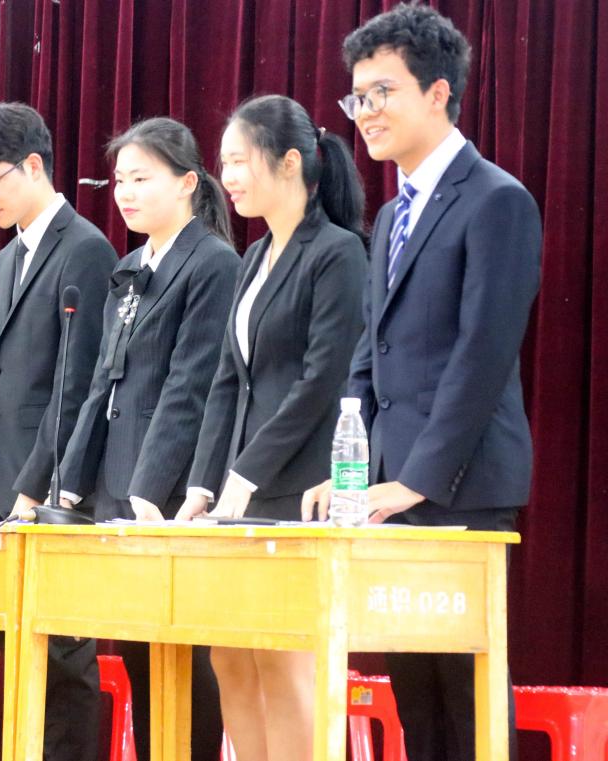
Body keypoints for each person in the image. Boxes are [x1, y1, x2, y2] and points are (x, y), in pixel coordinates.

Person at [302, 5, 542, 760]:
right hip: (386, 491)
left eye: (383, 92)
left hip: (460, 486)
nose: (366, 112)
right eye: (357, 97)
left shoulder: (497, 200)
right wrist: (349, 472)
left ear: (438, 93)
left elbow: (483, 357)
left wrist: (417, 480)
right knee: (417, 701)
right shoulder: (394, 215)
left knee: (467, 700)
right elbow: (367, 359)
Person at [174, 94, 367, 760]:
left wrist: (248, 473)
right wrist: (203, 484)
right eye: (223, 163)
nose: (227, 177)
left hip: (295, 487)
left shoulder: (338, 252)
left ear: (289, 162)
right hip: (238, 493)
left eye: (239, 161)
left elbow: (322, 381)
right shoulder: (253, 256)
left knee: (283, 661)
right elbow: (227, 381)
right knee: (230, 654)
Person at [58, 117, 239, 761]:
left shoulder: (213, 262)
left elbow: (191, 386)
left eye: (141, 179)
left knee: (181, 655)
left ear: (188, 182)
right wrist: (69, 486)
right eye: (119, 181)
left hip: (168, 492)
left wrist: (148, 491)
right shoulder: (130, 266)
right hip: (117, 486)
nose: (126, 194)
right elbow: (103, 380)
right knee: (136, 649)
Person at [0, 101, 117, 761]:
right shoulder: (6, 259)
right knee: (20, 651)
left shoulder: (86, 250)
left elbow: (78, 387)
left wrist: (35, 486)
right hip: (5, 481)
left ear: (34, 165)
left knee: (63, 655)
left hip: (56, 488)